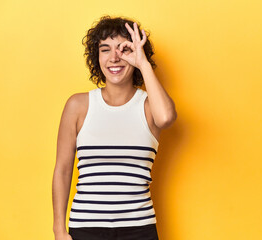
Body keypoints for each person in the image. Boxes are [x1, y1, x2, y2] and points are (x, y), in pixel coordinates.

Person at [52, 15, 177, 240]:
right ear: (96, 57)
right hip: (85, 228)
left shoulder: (149, 106)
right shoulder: (78, 106)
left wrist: (143, 63)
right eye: (105, 49)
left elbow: (167, 118)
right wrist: (59, 230)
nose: (114, 58)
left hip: (139, 229)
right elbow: (62, 170)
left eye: (123, 49)